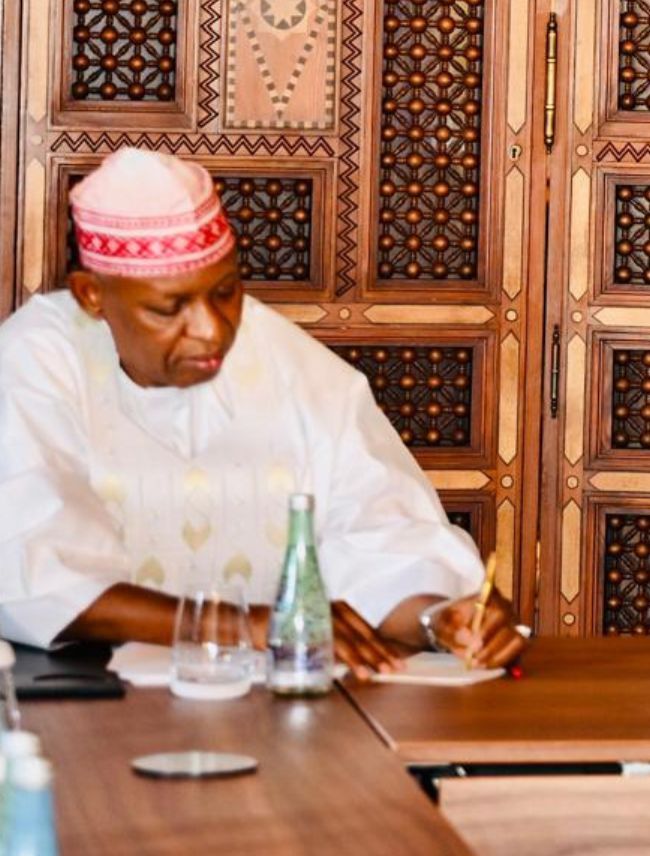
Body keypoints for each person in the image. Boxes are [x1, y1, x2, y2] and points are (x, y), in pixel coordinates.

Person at [0, 149, 526, 673]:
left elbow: (379, 534)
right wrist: (244, 626)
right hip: (86, 699)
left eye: (225, 292)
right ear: (92, 295)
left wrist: (439, 618)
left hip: (277, 700)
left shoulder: (283, 359)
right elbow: (34, 572)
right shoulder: (38, 358)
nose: (211, 329)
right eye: (169, 308)